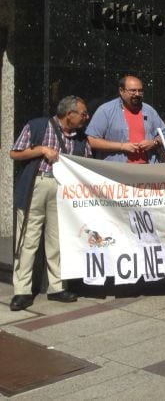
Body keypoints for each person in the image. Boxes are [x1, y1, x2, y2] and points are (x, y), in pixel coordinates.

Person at [9, 96, 91, 311]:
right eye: (82, 113)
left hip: (64, 190)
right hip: (37, 184)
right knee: (28, 239)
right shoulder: (37, 126)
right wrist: (41, 150)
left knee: (58, 239)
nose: (86, 117)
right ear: (69, 114)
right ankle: (22, 290)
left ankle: (57, 286)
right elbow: (15, 153)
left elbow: (87, 164)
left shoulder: (81, 138)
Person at [86, 75, 165, 163]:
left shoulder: (149, 111)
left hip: (147, 170)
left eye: (140, 91)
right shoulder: (106, 110)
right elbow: (92, 140)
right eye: (133, 91)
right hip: (117, 171)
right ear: (121, 91)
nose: (137, 94)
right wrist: (122, 146)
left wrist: (154, 143)